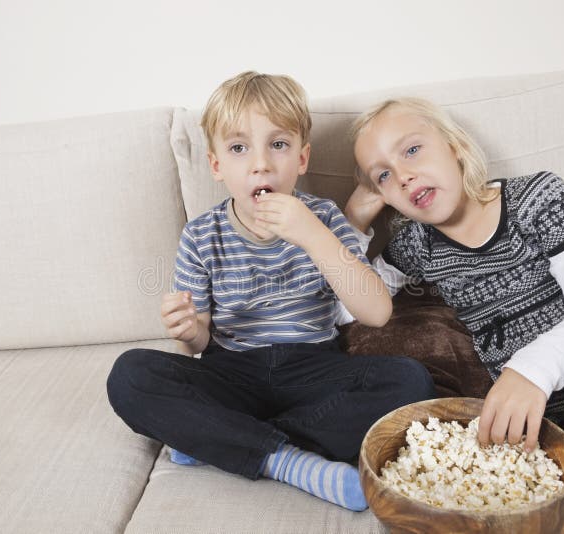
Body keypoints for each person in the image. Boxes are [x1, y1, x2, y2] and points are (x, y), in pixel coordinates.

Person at [343, 96, 564, 531]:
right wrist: (352, 221)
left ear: (454, 146)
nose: (403, 175)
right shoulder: (417, 246)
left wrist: (530, 370)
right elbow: (348, 307)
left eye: (412, 150)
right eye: (383, 175)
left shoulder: (537, 198)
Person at [106, 73, 436, 512]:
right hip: (231, 371)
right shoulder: (201, 235)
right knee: (130, 374)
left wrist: (312, 234)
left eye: (277, 144)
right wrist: (188, 330)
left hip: (313, 369)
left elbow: (376, 313)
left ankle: (220, 440)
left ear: (301, 158)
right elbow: (197, 344)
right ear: (217, 165)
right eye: (239, 148)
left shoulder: (323, 218)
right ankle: (286, 461)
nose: (260, 164)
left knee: (411, 381)